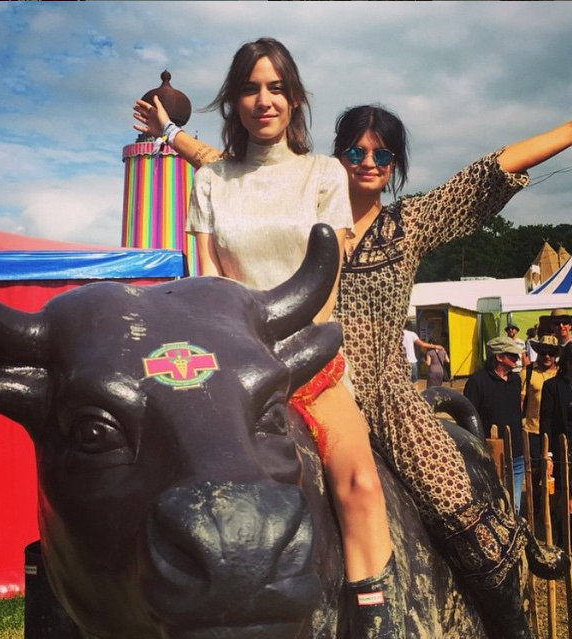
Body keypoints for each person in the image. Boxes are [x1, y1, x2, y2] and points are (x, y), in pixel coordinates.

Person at [134, 88, 572, 639]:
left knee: (462, 512)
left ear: (394, 168)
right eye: (356, 152)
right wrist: (171, 135)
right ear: (335, 158)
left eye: (382, 155)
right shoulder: (301, 203)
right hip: (298, 376)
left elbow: (493, 169)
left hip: (385, 392)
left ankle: (513, 627)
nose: (368, 163)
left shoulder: (409, 224)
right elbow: (225, 167)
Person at [142, 38, 402, 639]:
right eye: (252, 88)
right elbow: (205, 279)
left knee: (358, 480)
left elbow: (325, 276)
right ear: (233, 100)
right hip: (236, 367)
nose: (265, 100)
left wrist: (291, 352)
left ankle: (374, 607)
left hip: (308, 355)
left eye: (277, 88)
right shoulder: (211, 181)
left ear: (295, 100)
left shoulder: (323, 173)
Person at [464, 336, 526, 512]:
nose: (517, 358)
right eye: (512, 355)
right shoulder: (477, 381)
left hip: (517, 451)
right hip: (490, 452)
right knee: (494, 503)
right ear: (499, 357)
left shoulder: (515, 381)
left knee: (514, 505)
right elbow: (469, 415)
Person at [521, 334, 559, 514]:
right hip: (532, 429)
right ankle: (535, 507)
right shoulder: (527, 372)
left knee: (556, 471)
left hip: (554, 431)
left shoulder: (561, 373)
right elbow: (520, 402)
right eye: (543, 352)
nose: (547, 357)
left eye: (551, 353)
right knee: (535, 471)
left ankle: (554, 509)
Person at [540, 342, 572, 516]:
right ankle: (564, 536)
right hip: (563, 451)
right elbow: (546, 421)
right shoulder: (552, 386)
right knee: (563, 496)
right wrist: (548, 455)